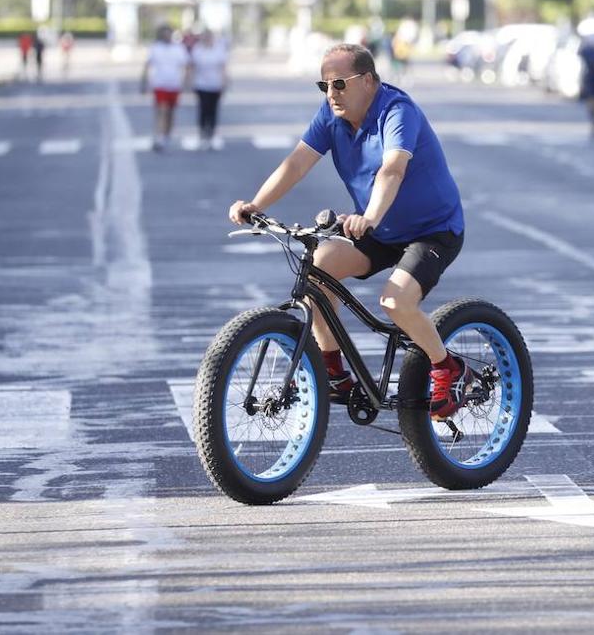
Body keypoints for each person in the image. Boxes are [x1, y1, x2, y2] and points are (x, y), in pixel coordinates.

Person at [227, 43, 471, 419]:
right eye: (323, 85)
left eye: (339, 83)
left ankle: (447, 368)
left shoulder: (397, 111)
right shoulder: (330, 115)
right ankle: (334, 372)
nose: (331, 94)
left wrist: (370, 216)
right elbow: (296, 164)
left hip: (432, 230)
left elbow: (392, 169)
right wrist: (257, 205)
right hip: (379, 228)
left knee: (395, 302)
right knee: (319, 269)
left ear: (369, 81)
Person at [143, 24, 191, 151]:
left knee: (171, 113)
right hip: (160, 84)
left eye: (168, 34)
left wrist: (186, 81)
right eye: (164, 34)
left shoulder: (179, 49)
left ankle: (167, 135)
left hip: (174, 85)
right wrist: (145, 82)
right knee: (162, 110)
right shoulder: (155, 48)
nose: (167, 36)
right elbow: (148, 65)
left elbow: (186, 65)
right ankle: (159, 137)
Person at [190, 30, 229, 149]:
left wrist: (224, 83)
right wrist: (190, 82)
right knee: (203, 109)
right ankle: (202, 134)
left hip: (215, 84)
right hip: (201, 84)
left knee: (213, 110)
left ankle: (211, 134)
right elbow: (193, 67)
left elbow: (223, 68)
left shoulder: (219, 50)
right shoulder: (197, 50)